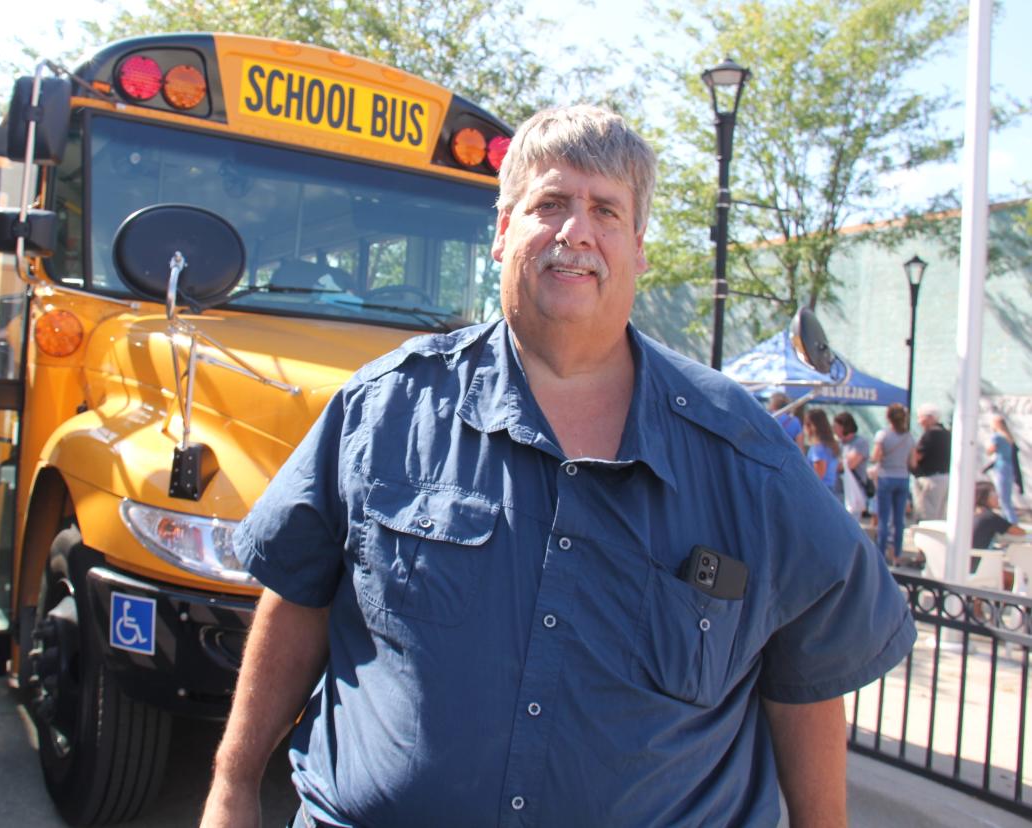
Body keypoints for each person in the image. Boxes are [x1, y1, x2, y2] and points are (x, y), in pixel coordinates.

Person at [200, 104, 915, 828]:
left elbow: (809, 671)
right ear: (504, 230)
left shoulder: (746, 457)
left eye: (605, 210)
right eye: (550, 203)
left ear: (638, 247)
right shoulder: (383, 409)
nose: (576, 232)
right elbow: (299, 597)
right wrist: (232, 784)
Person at [871, 403, 915, 565]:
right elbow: (912, 462)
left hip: (886, 476)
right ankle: (897, 554)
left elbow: (875, 456)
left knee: (883, 519)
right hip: (903, 477)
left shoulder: (883, 435)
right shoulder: (909, 437)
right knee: (899, 520)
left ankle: (881, 555)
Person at [911, 403, 951, 520]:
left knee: (926, 515)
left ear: (930, 417)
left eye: (921, 417)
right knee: (939, 516)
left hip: (931, 479)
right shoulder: (947, 433)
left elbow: (918, 455)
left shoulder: (931, 434)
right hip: (944, 478)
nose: (919, 422)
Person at [986, 413, 1022, 523]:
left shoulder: (997, 437)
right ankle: (1006, 520)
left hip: (1001, 468)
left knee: (1003, 498)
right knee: (1006, 497)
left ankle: (1011, 521)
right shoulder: (1008, 437)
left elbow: (989, 451)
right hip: (1009, 467)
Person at [833, 411, 873, 513]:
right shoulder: (838, 443)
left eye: (836, 427)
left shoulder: (860, 443)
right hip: (838, 490)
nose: (834, 430)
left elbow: (849, 464)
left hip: (854, 491)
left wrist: (834, 464)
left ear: (844, 427)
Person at [972, 480, 1026, 550]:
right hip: (979, 558)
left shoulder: (973, 514)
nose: (997, 498)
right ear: (985, 497)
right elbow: (1020, 532)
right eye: (994, 494)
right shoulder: (989, 517)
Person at [803, 408, 841, 499]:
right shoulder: (830, 445)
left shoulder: (818, 449)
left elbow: (818, 476)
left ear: (811, 426)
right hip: (830, 491)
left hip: (820, 494)